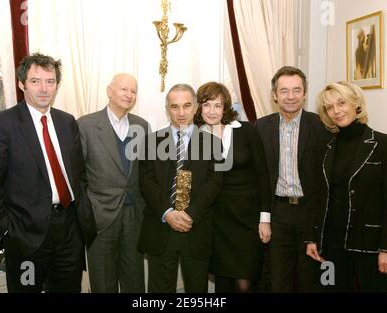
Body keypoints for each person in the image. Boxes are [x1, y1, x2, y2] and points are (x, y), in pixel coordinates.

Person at [0, 53, 96, 292]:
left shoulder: (67, 122)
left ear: (56, 86)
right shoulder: (3, 124)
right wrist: (8, 230)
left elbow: (79, 175)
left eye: (50, 81)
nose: (44, 88)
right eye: (35, 81)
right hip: (26, 235)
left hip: (69, 231)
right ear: (22, 84)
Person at [306, 81, 387, 292]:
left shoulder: (383, 144)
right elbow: (317, 197)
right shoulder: (325, 147)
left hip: (369, 246)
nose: (336, 111)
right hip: (329, 246)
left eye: (341, 103)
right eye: (329, 107)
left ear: (356, 103)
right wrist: (311, 239)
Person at [138, 84, 222, 293]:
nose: (181, 112)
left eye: (186, 106)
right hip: (161, 229)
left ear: (195, 107)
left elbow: (215, 183)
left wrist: (189, 215)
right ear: (167, 109)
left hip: (197, 228)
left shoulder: (213, 143)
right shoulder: (150, 141)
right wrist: (168, 214)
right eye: (175, 107)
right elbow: (146, 182)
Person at [254, 66, 329, 292]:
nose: (291, 97)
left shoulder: (321, 126)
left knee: (310, 282)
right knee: (278, 282)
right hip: (278, 212)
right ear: (275, 95)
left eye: (297, 90)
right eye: (284, 91)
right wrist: (264, 217)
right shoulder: (261, 126)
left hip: (310, 213)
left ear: (305, 93)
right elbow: (259, 177)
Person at [193, 82, 271, 292]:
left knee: (244, 284)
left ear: (225, 108)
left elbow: (263, 175)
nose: (212, 111)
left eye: (217, 106)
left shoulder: (245, 130)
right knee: (224, 284)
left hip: (247, 219)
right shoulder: (195, 135)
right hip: (216, 219)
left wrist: (265, 219)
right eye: (207, 105)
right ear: (199, 107)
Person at [77, 73, 149, 292]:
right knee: (103, 283)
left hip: (134, 217)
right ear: (110, 91)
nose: (129, 95)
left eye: (133, 91)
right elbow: (78, 176)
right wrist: (89, 212)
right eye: (124, 89)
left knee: (134, 281)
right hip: (101, 217)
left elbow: (146, 172)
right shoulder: (86, 125)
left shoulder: (142, 126)